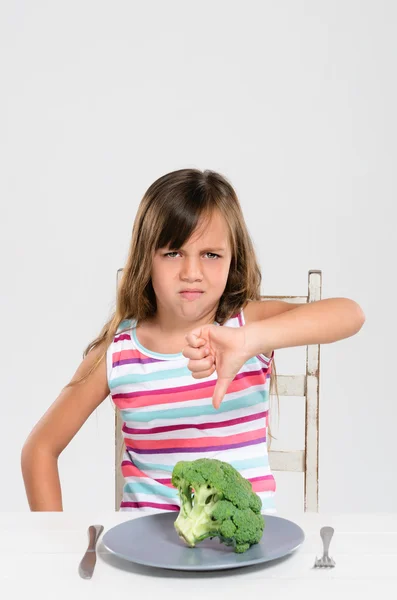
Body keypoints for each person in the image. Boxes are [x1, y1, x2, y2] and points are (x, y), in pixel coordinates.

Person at [21, 168, 366, 513]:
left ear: (233, 260)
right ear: (147, 259)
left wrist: (247, 341)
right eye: (173, 253)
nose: (191, 272)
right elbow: (39, 450)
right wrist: (55, 545)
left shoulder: (247, 325)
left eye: (211, 255)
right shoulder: (118, 352)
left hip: (246, 557)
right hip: (147, 555)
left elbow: (350, 314)